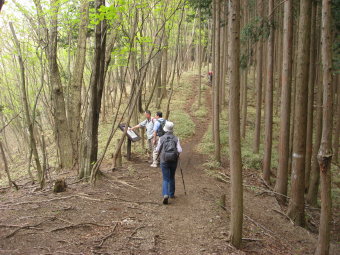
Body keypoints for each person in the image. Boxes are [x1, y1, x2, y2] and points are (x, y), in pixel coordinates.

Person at [155, 121, 182, 204]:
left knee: (165, 178)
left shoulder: (161, 138)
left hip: (164, 160)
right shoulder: (176, 138)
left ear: (165, 129)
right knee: (172, 177)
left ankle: (165, 194)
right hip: (173, 160)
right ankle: (171, 194)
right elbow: (180, 150)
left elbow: (157, 149)